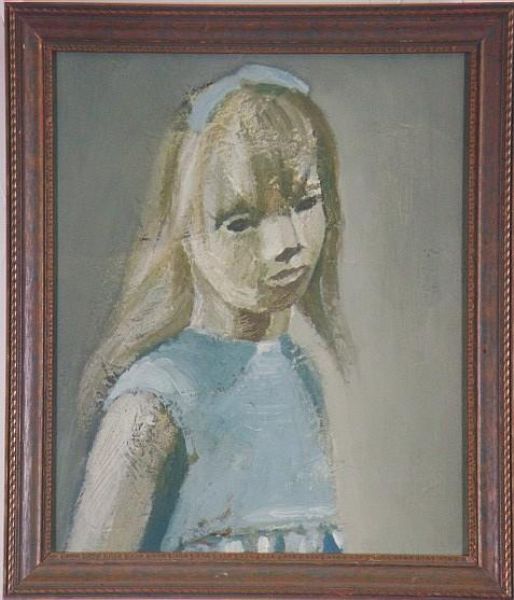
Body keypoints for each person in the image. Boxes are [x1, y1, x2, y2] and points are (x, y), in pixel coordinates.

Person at [66, 64, 352, 553]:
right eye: (240, 222)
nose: (287, 243)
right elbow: (88, 578)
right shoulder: (152, 402)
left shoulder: (300, 373)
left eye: (305, 202)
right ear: (184, 236)